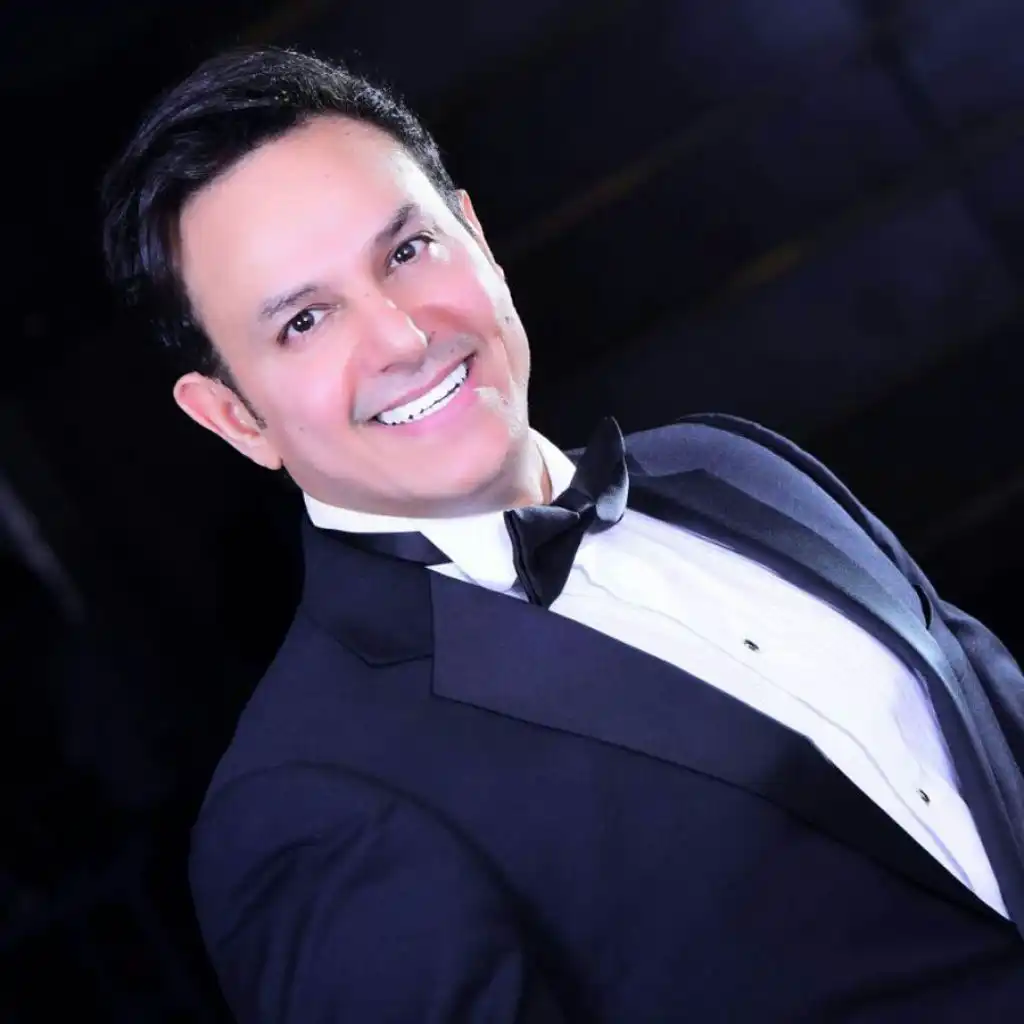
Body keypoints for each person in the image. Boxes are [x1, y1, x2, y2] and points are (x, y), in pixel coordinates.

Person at [101, 46, 1024, 1022]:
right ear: (234, 419)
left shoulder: (731, 464)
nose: (403, 338)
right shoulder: (306, 805)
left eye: (407, 251)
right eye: (305, 321)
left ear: (476, 235)